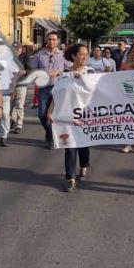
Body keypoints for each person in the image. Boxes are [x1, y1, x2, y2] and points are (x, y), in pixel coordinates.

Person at [47, 43, 94, 192]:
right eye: (82, 54)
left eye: (87, 54)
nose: (85, 57)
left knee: (83, 144)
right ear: (74, 56)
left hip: (85, 116)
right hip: (67, 116)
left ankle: (84, 165)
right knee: (70, 146)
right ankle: (70, 178)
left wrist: (84, 80)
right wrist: (50, 111)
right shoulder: (65, 74)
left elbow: (98, 92)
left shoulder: (91, 72)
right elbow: (57, 94)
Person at [29, 31, 67, 149]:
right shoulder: (40, 55)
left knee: (53, 116)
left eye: (54, 39)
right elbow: (32, 67)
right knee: (42, 115)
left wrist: (59, 72)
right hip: (44, 88)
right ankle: (49, 132)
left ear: (58, 41)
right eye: (50, 39)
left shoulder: (63, 55)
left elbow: (70, 67)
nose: (51, 41)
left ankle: (50, 138)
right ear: (46, 40)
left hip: (58, 88)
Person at [10, 43, 30, 135]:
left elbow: (30, 69)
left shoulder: (26, 58)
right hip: (10, 84)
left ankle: (19, 124)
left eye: (17, 49)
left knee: (19, 104)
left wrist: (24, 72)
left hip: (21, 83)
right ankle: (13, 119)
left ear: (21, 49)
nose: (15, 51)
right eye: (14, 49)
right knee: (11, 105)